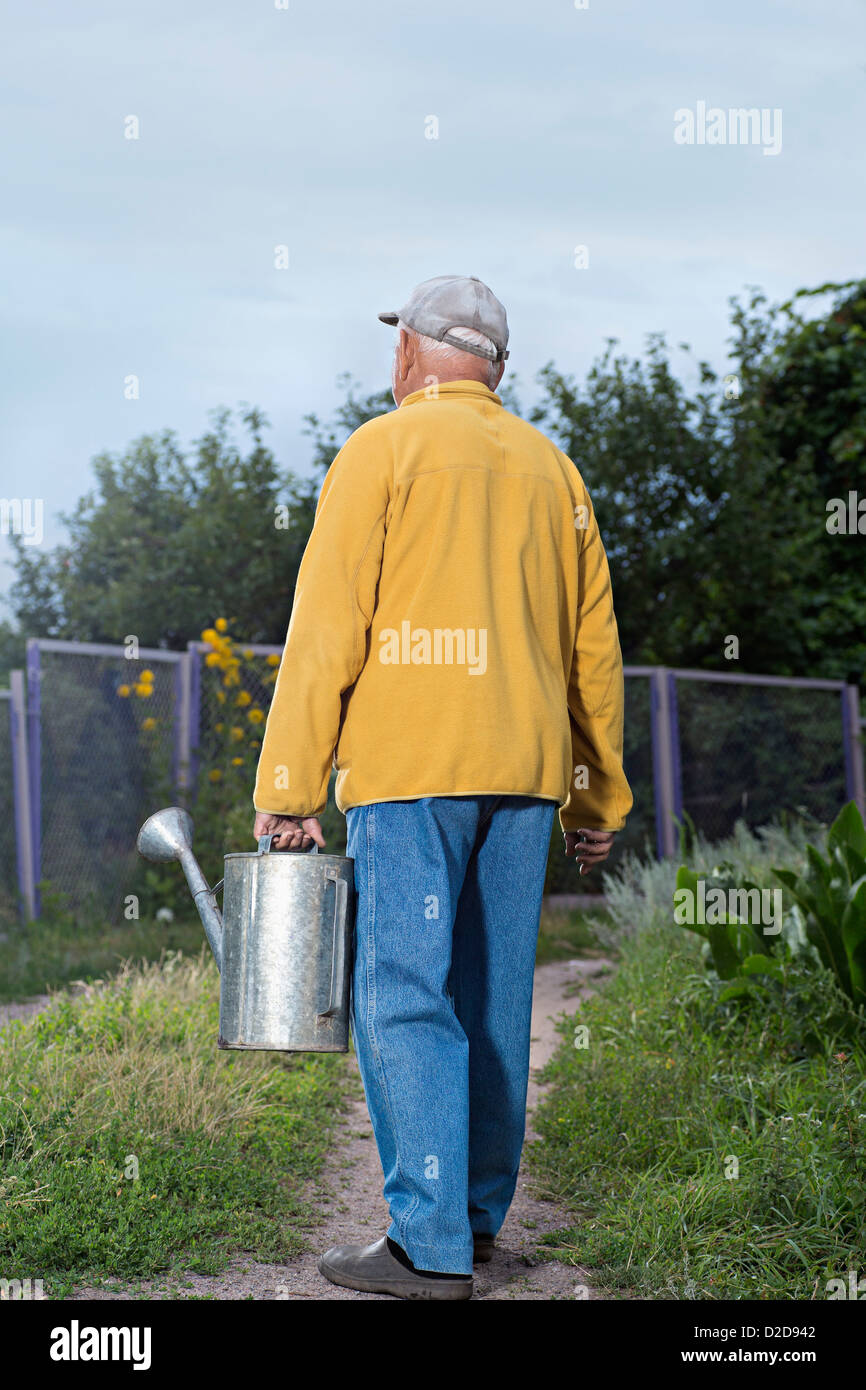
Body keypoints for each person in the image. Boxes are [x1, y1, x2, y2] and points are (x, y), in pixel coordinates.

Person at [252, 274, 633, 1300]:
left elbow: (327, 627)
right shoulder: (554, 471)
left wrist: (288, 782)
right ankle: (470, 1219)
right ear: (494, 368)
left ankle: (427, 1247)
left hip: (410, 771)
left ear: (412, 354)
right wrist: (596, 800)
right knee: (493, 999)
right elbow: (591, 655)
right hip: (523, 777)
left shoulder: (381, 449)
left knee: (406, 993)